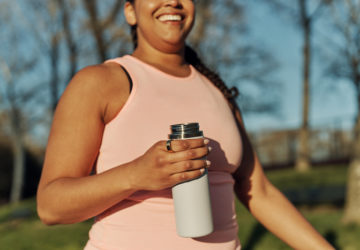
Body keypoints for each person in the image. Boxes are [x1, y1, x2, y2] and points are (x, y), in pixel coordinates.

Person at [36, 0, 334, 249]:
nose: (173, 1)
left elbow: (261, 193)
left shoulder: (219, 92)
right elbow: (51, 206)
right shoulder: (100, 82)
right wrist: (136, 174)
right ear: (130, 10)